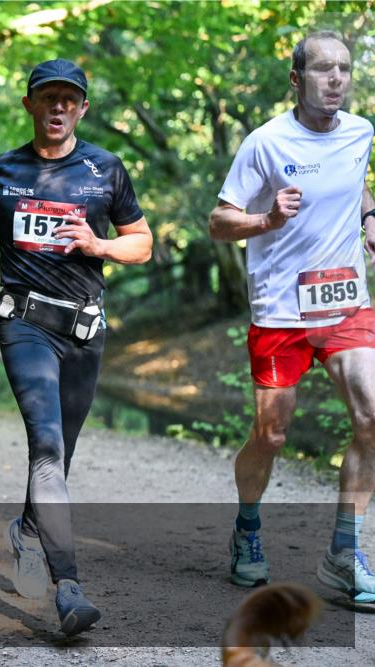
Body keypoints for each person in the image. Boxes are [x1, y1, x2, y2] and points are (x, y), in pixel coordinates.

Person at [0, 59, 152, 635]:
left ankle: (30, 531)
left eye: (69, 99)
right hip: (23, 323)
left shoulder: (106, 169)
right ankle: (69, 587)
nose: (58, 107)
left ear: (83, 109)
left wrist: (100, 245)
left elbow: (142, 243)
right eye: (48, 98)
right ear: (30, 105)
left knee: (61, 455)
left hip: (84, 330)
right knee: (44, 441)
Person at [209, 31, 375, 602]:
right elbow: (219, 222)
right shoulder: (265, 144)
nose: (336, 79)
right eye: (323, 69)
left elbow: (353, 183)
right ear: (296, 79)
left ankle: (344, 552)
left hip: (346, 301)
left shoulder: (361, 133)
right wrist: (266, 220)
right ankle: (248, 530)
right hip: (280, 308)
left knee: (373, 414)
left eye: (345, 70)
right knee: (272, 433)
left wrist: (372, 215)